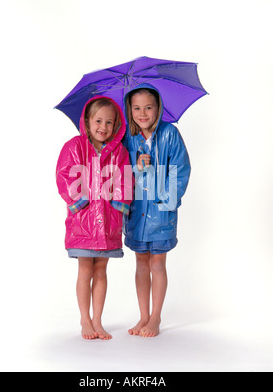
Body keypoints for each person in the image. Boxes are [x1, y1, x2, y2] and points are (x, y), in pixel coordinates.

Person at [56, 96, 133, 340]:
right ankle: (84, 320)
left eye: (109, 122)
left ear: (116, 125)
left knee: (101, 270)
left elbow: (125, 180)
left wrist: (118, 206)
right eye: (98, 121)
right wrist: (80, 203)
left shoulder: (119, 151)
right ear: (87, 122)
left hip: (108, 222)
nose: (103, 127)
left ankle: (98, 320)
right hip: (84, 222)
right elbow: (63, 175)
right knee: (85, 270)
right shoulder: (74, 147)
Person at [123, 84, 191, 337]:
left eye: (148, 107)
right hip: (136, 212)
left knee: (158, 263)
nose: (143, 113)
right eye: (137, 108)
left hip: (162, 212)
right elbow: (119, 172)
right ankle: (143, 316)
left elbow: (181, 171)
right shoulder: (128, 137)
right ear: (129, 110)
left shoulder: (169, 134)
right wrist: (136, 166)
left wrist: (166, 202)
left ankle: (155, 318)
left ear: (158, 108)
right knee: (141, 262)